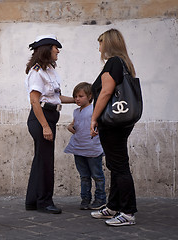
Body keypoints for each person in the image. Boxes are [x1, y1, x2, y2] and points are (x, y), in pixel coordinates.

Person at [90, 28, 137, 226]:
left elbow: (106, 92)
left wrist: (93, 118)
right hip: (120, 122)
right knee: (115, 165)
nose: (99, 48)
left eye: (100, 43)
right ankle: (114, 206)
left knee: (119, 166)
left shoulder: (114, 62)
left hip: (112, 123)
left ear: (107, 44)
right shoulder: (124, 63)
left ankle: (127, 212)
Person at [25, 34, 75, 214]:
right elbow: (34, 101)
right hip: (41, 118)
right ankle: (44, 202)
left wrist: (77, 100)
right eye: (56, 48)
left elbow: (55, 97)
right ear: (47, 49)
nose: (58, 51)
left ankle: (32, 201)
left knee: (40, 160)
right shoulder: (37, 72)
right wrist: (45, 126)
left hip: (49, 115)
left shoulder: (49, 70)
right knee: (45, 162)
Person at [64, 82, 106, 210]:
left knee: (97, 176)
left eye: (80, 96)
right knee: (84, 176)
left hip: (93, 149)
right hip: (79, 149)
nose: (77, 99)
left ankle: (100, 199)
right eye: (75, 96)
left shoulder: (94, 110)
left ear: (89, 96)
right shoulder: (76, 112)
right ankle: (85, 199)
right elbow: (73, 125)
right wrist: (74, 129)